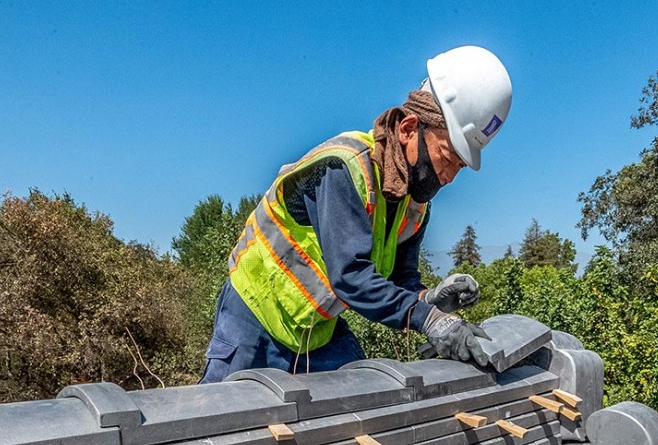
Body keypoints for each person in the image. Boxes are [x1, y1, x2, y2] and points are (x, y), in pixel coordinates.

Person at [199, 46, 512, 384]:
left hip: (316, 329)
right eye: (447, 157)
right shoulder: (345, 167)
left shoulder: (415, 206)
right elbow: (350, 277)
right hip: (254, 315)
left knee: (365, 400)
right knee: (223, 422)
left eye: (460, 167)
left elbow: (400, 279)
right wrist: (429, 320)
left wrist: (429, 299)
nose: (450, 176)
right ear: (408, 129)